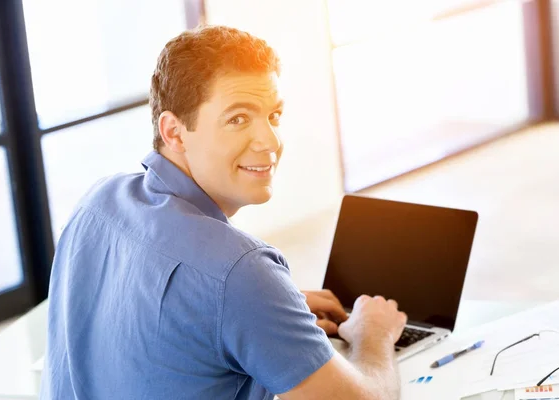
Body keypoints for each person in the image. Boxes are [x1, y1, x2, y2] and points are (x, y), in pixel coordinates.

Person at [40, 25, 407, 400]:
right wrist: (373, 335)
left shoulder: (96, 203)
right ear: (174, 132)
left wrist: (266, 312)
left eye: (274, 115)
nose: (271, 142)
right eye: (238, 119)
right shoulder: (242, 272)